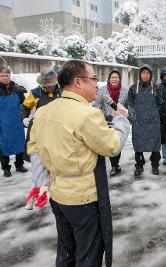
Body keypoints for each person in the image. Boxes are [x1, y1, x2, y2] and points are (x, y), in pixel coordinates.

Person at [27, 60, 130, 267]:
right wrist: (121, 120)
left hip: (58, 195)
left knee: (66, 248)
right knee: (89, 253)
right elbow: (111, 146)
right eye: (93, 79)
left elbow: (34, 149)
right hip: (83, 198)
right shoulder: (87, 114)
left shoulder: (45, 111)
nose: (96, 85)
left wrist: (42, 182)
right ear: (78, 82)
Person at [22, 68, 63, 210]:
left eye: (51, 84)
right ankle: (39, 187)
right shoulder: (35, 92)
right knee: (38, 158)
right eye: (46, 85)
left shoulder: (61, 91)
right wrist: (24, 118)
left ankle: (53, 185)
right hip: (39, 128)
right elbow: (25, 107)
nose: (49, 87)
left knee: (55, 157)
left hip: (57, 128)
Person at [128, 65, 162, 177]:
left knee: (155, 144)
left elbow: (160, 103)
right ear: (140, 74)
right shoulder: (133, 88)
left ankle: (155, 164)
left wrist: (154, 113)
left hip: (153, 120)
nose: (145, 75)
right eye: (143, 73)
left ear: (150, 75)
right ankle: (139, 164)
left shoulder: (156, 88)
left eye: (148, 73)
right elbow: (130, 104)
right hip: (139, 121)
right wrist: (133, 117)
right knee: (138, 144)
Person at [93, 69, 129, 176]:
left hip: (119, 121)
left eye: (116, 77)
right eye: (112, 77)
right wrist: (102, 117)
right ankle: (104, 165)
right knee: (104, 143)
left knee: (116, 142)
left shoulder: (125, 91)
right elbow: (97, 105)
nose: (114, 79)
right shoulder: (102, 90)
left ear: (120, 79)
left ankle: (114, 165)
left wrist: (123, 113)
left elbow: (127, 106)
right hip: (105, 121)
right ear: (109, 79)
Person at [0, 66, 28, 177]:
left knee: (19, 143)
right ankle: (6, 168)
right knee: (3, 145)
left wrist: (22, 116)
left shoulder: (18, 89)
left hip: (16, 121)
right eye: (2, 75)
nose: (5, 78)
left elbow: (23, 105)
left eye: (7, 75)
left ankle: (19, 165)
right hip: (2, 122)